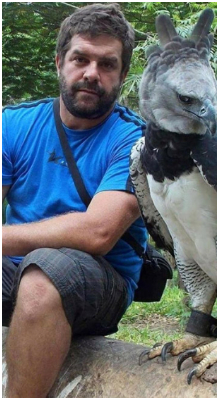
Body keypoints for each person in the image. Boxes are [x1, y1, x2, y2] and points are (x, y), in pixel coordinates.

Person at [1, 4, 147, 397]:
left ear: (122, 75)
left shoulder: (138, 142)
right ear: (59, 62)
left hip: (100, 280)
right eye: (80, 58)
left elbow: (98, 232)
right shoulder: (13, 125)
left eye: (106, 64)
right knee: (35, 271)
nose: (91, 74)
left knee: (42, 276)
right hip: (15, 270)